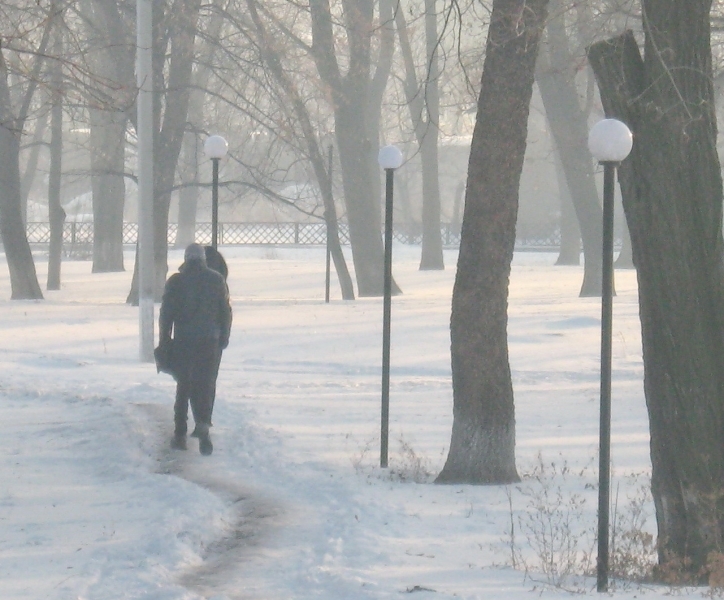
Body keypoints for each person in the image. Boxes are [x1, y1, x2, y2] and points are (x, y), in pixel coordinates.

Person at [159, 243, 232, 455]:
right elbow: (224, 311)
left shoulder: (176, 281)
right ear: (203, 259)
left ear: (186, 258)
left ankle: (180, 433)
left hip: (184, 341)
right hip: (209, 341)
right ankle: (203, 425)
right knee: (206, 384)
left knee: (184, 385)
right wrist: (224, 335)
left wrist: (165, 339)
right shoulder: (216, 280)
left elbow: (166, 314)